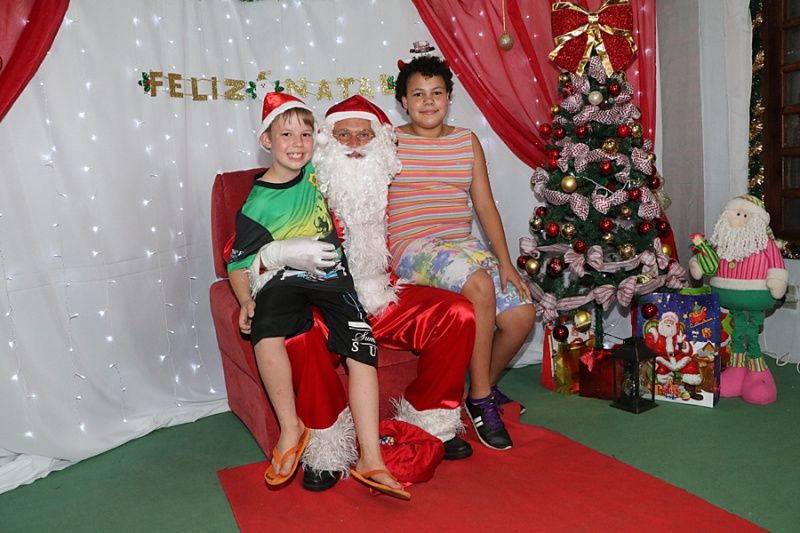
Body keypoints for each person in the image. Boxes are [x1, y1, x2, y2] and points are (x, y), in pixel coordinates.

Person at [258, 95, 476, 492]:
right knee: (301, 336)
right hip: (325, 303)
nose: (356, 143)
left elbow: (434, 209)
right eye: (344, 135)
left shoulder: (389, 179)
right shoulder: (302, 182)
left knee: (457, 313)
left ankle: (430, 421)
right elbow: (245, 246)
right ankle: (325, 446)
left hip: (383, 294)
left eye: (365, 135)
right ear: (326, 141)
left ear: (380, 142)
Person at [227, 92, 408, 499]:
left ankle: (371, 458)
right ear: (266, 140)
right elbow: (238, 263)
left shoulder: (317, 171)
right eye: (286, 134)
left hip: (332, 277)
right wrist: (246, 300)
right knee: (266, 326)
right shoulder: (257, 203)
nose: (297, 143)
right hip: (284, 278)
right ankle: (290, 427)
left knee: (362, 346)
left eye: (305, 134)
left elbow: (356, 157)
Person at [389, 54, 536, 451]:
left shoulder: (465, 141)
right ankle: (483, 401)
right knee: (479, 285)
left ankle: (477, 389)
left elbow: (484, 206)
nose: (428, 101)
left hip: (462, 245)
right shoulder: (389, 141)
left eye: (437, 93)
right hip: (412, 245)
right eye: (418, 94)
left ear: (449, 97)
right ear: (403, 101)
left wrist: (506, 263)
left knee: (522, 313)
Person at [645, 311, 702, 401]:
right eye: (667, 321)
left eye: (671, 322)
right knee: (662, 371)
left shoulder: (679, 335)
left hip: (677, 358)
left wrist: (685, 346)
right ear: (661, 321)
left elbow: (689, 351)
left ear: (675, 324)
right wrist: (650, 358)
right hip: (661, 358)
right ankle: (667, 389)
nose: (669, 323)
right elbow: (647, 347)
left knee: (691, 365)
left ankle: (690, 390)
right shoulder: (654, 333)